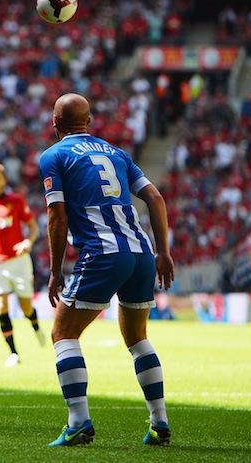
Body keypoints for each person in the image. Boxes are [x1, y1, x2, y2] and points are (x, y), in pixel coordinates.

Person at [39, 93, 174, 447]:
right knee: (138, 338)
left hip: (103, 253)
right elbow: (156, 198)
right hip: (141, 251)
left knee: (63, 334)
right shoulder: (117, 154)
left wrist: (55, 271)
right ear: (90, 120)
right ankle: (159, 422)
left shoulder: (54, 156)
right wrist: (164, 252)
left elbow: (57, 216)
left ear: (54, 124)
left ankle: (78, 421)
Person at [0, 163, 45, 367]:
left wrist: (28, 242)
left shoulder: (16, 201)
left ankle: (36, 326)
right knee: (0, 306)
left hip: (19, 261)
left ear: (4, 181)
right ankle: (13, 353)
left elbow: (32, 226)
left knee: (26, 306)